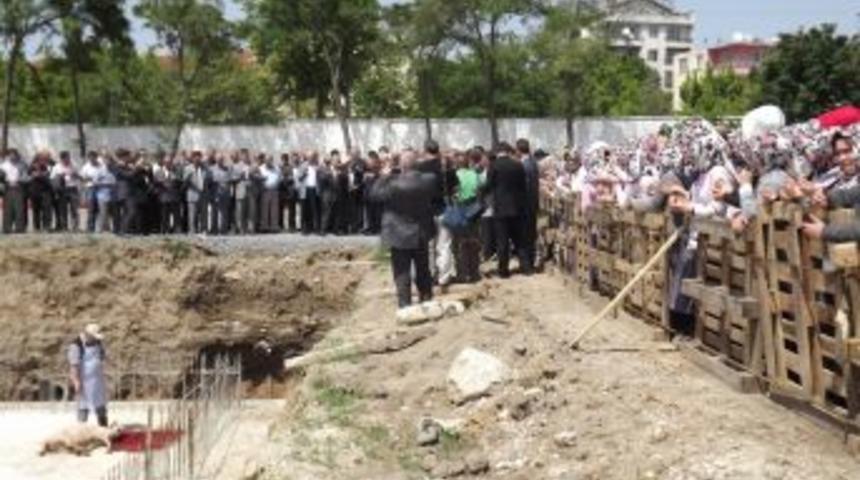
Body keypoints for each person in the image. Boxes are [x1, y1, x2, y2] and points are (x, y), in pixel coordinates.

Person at [371, 150, 437, 308]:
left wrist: (384, 176)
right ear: (417, 164)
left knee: (401, 272)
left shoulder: (393, 183)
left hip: (398, 233)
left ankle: (405, 304)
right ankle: (426, 299)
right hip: (421, 231)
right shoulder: (428, 180)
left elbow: (374, 195)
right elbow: (430, 170)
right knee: (423, 269)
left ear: (401, 165)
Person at [483, 142, 530, 278]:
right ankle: (526, 268)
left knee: (502, 241)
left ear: (498, 152)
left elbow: (489, 185)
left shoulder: (494, 166)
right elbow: (523, 186)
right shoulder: (518, 165)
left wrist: (480, 191)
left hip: (501, 208)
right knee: (520, 239)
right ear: (507, 151)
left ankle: (503, 271)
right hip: (517, 207)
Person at [416, 140, 459, 286]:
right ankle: (444, 277)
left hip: (425, 210)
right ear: (438, 150)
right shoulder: (446, 168)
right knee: (444, 245)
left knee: (428, 246)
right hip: (444, 209)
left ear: (425, 150)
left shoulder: (419, 168)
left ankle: (429, 275)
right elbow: (456, 189)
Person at [68, 323, 109, 427]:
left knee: (100, 405)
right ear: (88, 335)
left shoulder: (98, 343)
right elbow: (74, 365)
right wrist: (76, 381)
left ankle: (103, 427)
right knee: (83, 405)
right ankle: (81, 428)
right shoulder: (76, 345)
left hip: (97, 380)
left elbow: (102, 357)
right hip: (84, 381)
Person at [518, 139, 540, 271]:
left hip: (525, 204)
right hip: (533, 203)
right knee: (531, 235)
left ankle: (527, 265)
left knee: (524, 235)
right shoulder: (533, 163)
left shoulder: (524, 165)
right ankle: (530, 262)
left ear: (518, 150)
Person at [0, 149, 30, 233]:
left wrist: (20, 180)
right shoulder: (3, 165)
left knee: (19, 209)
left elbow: (26, 177)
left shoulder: (22, 164)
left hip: (19, 187)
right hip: (8, 188)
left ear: (17, 155)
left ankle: (20, 228)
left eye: (14, 155)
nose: (12, 156)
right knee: (8, 209)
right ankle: (7, 228)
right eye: (10, 155)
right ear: (8, 155)